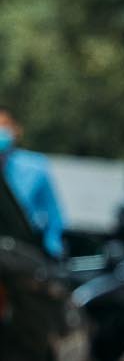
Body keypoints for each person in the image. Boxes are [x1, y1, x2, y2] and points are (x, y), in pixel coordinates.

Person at [0, 105, 67, 260]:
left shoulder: (35, 168)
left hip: (24, 251)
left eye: (4, 126)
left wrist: (52, 248)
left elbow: (55, 218)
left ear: (15, 131)